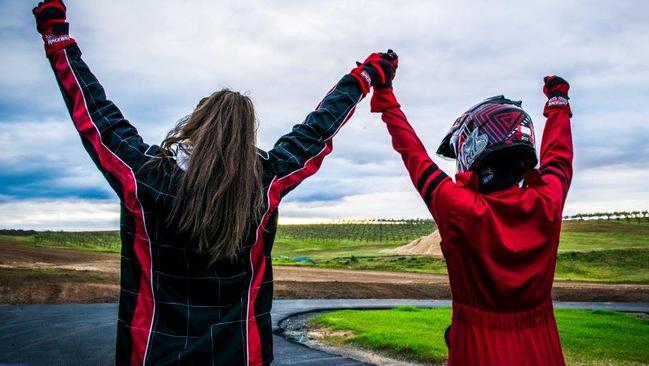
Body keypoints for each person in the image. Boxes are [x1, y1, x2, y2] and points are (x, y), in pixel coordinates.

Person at [32, 1, 396, 365]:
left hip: (152, 355)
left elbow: (96, 115)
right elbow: (317, 129)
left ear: (195, 123)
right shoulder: (264, 182)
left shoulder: (145, 176)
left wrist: (58, 37)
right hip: (241, 355)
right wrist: (364, 77)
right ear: (245, 137)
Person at [371, 56, 572, 365]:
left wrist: (385, 95)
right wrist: (558, 103)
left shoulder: (459, 207)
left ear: (475, 148)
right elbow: (559, 158)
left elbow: (413, 154)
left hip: (478, 349)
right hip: (542, 346)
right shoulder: (547, 201)